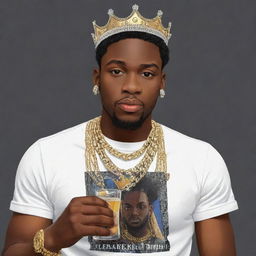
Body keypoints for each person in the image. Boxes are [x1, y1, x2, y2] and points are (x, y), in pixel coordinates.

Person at [2, 4, 238, 256]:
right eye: (117, 71)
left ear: (162, 82)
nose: (131, 86)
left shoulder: (202, 159)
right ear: (97, 78)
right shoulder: (45, 155)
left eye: (147, 73)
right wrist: (54, 237)